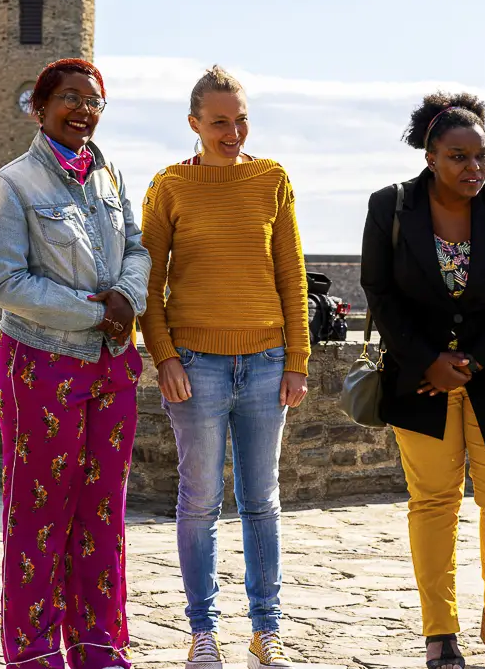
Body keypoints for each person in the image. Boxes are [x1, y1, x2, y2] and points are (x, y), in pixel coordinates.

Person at [360, 93, 485, 669]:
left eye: (482, 156)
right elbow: (380, 293)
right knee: (433, 504)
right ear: (430, 157)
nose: (474, 168)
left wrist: (472, 362)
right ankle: (440, 633)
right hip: (420, 383)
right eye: (459, 157)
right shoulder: (390, 206)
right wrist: (428, 363)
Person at [0, 58, 151, 669]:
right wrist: (94, 313)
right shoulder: (13, 184)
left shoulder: (112, 177)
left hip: (112, 365)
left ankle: (99, 644)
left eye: (94, 101)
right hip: (41, 365)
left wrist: (129, 298)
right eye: (71, 99)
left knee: (103, 509)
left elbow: (136, 246)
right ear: (40, 108)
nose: (83, 111)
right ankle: (32, 652)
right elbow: (5, 282)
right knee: (38, 513)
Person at [139, 65, 310, 669]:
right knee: (200, 500)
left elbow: (291, 275)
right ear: (194, 124)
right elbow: (147, 286)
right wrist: (163, 358)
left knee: (262, 500)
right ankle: (203, 631)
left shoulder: (272, 180)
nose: (232, 131)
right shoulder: (169, 189)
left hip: (266, 365)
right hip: (197, 367)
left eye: (240, 120)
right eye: (219, 122)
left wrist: (297, 360)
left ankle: (268, 630)